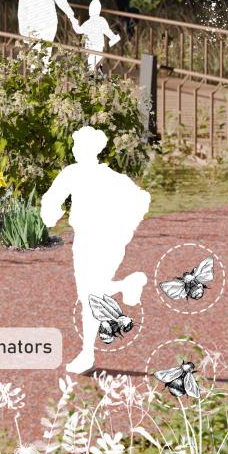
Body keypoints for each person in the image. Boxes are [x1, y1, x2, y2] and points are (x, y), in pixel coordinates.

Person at [40, 126, 149, 374]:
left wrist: (50, 217)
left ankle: (87, 352)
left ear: (90, 149)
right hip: (107, 242)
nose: (76, 150)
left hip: (92, 240)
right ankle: (125, 286)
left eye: (79, 146)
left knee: (89, 295)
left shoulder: (75, 173)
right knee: (91, 293)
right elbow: (141, 199)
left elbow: (51, 201)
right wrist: (125, 230)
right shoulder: (111, 176)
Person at [17, 0, 78, 71]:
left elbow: (21, 12)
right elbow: (61, 0)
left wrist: (23, 30)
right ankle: (44, 75)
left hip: (32, 25)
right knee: (46, 51)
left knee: (34, 51)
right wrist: (71, 15)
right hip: (48, 24)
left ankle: (35, 76)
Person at [71, 0, 121, 74]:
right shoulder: (102, 20)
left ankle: (92, 80)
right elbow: (107, 31)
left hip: (90, 47)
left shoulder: (88, 23)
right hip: (99, 46)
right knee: (98, 63)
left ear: (90, 11)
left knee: (91, 65)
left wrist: (74, 23)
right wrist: (113, 37)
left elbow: (78, 30)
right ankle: (99, 78)